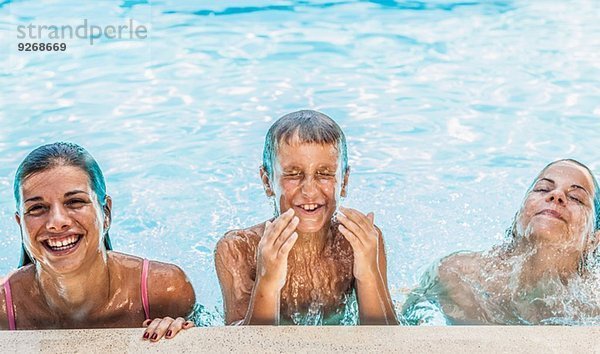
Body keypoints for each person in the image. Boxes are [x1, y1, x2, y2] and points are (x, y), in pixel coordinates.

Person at [215, 110, 398, 325]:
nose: (309, 191)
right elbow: (236, 345)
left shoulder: (358, 243)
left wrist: (368, 273)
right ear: (267, 182)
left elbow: (388, 338)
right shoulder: (239, 250)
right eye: (293, 174)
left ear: (344, 182)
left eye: (325, 174)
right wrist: (267, 280)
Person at [0, 142, 195, 341]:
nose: (57, 222)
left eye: (75, 202)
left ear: (106, 213)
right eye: (37, 208)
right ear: (20, 223)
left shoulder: (164, 290)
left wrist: (179, 332)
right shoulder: (3, 308)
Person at [403, 159, 600, 325]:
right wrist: (371, 272)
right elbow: (395, 332)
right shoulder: (459, 276)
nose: (556, 195)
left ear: (594, 240)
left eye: (575, 197)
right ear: (517, 219)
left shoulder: (594, 305)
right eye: (543, 188)